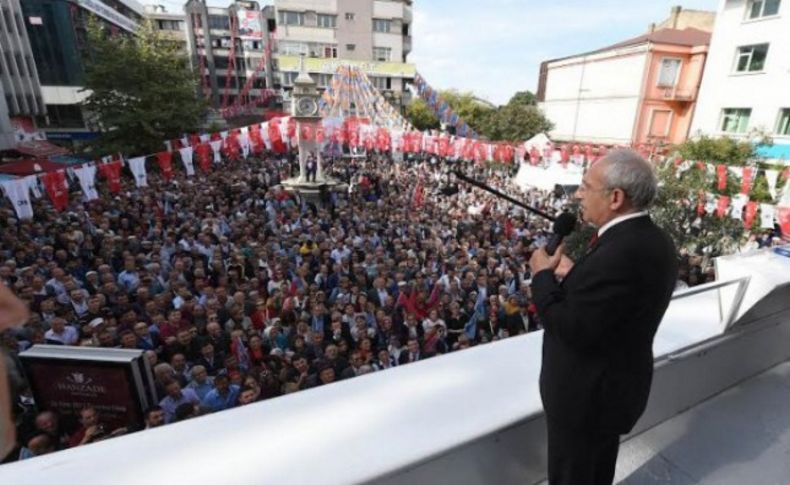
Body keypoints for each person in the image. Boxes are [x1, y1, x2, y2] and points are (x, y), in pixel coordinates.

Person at [529, 150, 678, 485]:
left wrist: (541, 276)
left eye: (585, 186)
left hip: (585, 401)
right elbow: (612, 307)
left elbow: (570, 327)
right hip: (612, 392)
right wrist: (575, 276)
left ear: (615, 197)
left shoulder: (621, 252)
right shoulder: (653, 239)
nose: (578, 194)